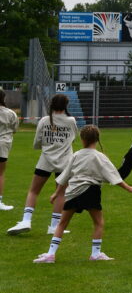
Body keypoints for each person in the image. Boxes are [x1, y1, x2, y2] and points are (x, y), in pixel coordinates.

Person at [34, 125, 132, 263]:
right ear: (97, 139)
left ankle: (50, 254)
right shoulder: (100, 157)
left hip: (73, 192)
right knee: (98, 223)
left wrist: (56, 193)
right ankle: (95, 254)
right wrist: (129, 188)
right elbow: (113, 175)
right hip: (91, 191)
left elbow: (65, 176)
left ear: (82, 139)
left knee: (62, 224)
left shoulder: (76, 155)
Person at [7, 93, 78, 236]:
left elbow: (37, 141)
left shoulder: (44, 120)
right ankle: (54, 226)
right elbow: (73, 137)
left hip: (45, 160)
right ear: (66, 105)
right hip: (65, 162)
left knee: (34, 191)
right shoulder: (71, 120)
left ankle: (26, 220)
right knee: (61, 194)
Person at [0, 98, 20, 211]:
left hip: (3, 144)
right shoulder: (11, 113)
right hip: (3, 144)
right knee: (0, 174)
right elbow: (15, 129)